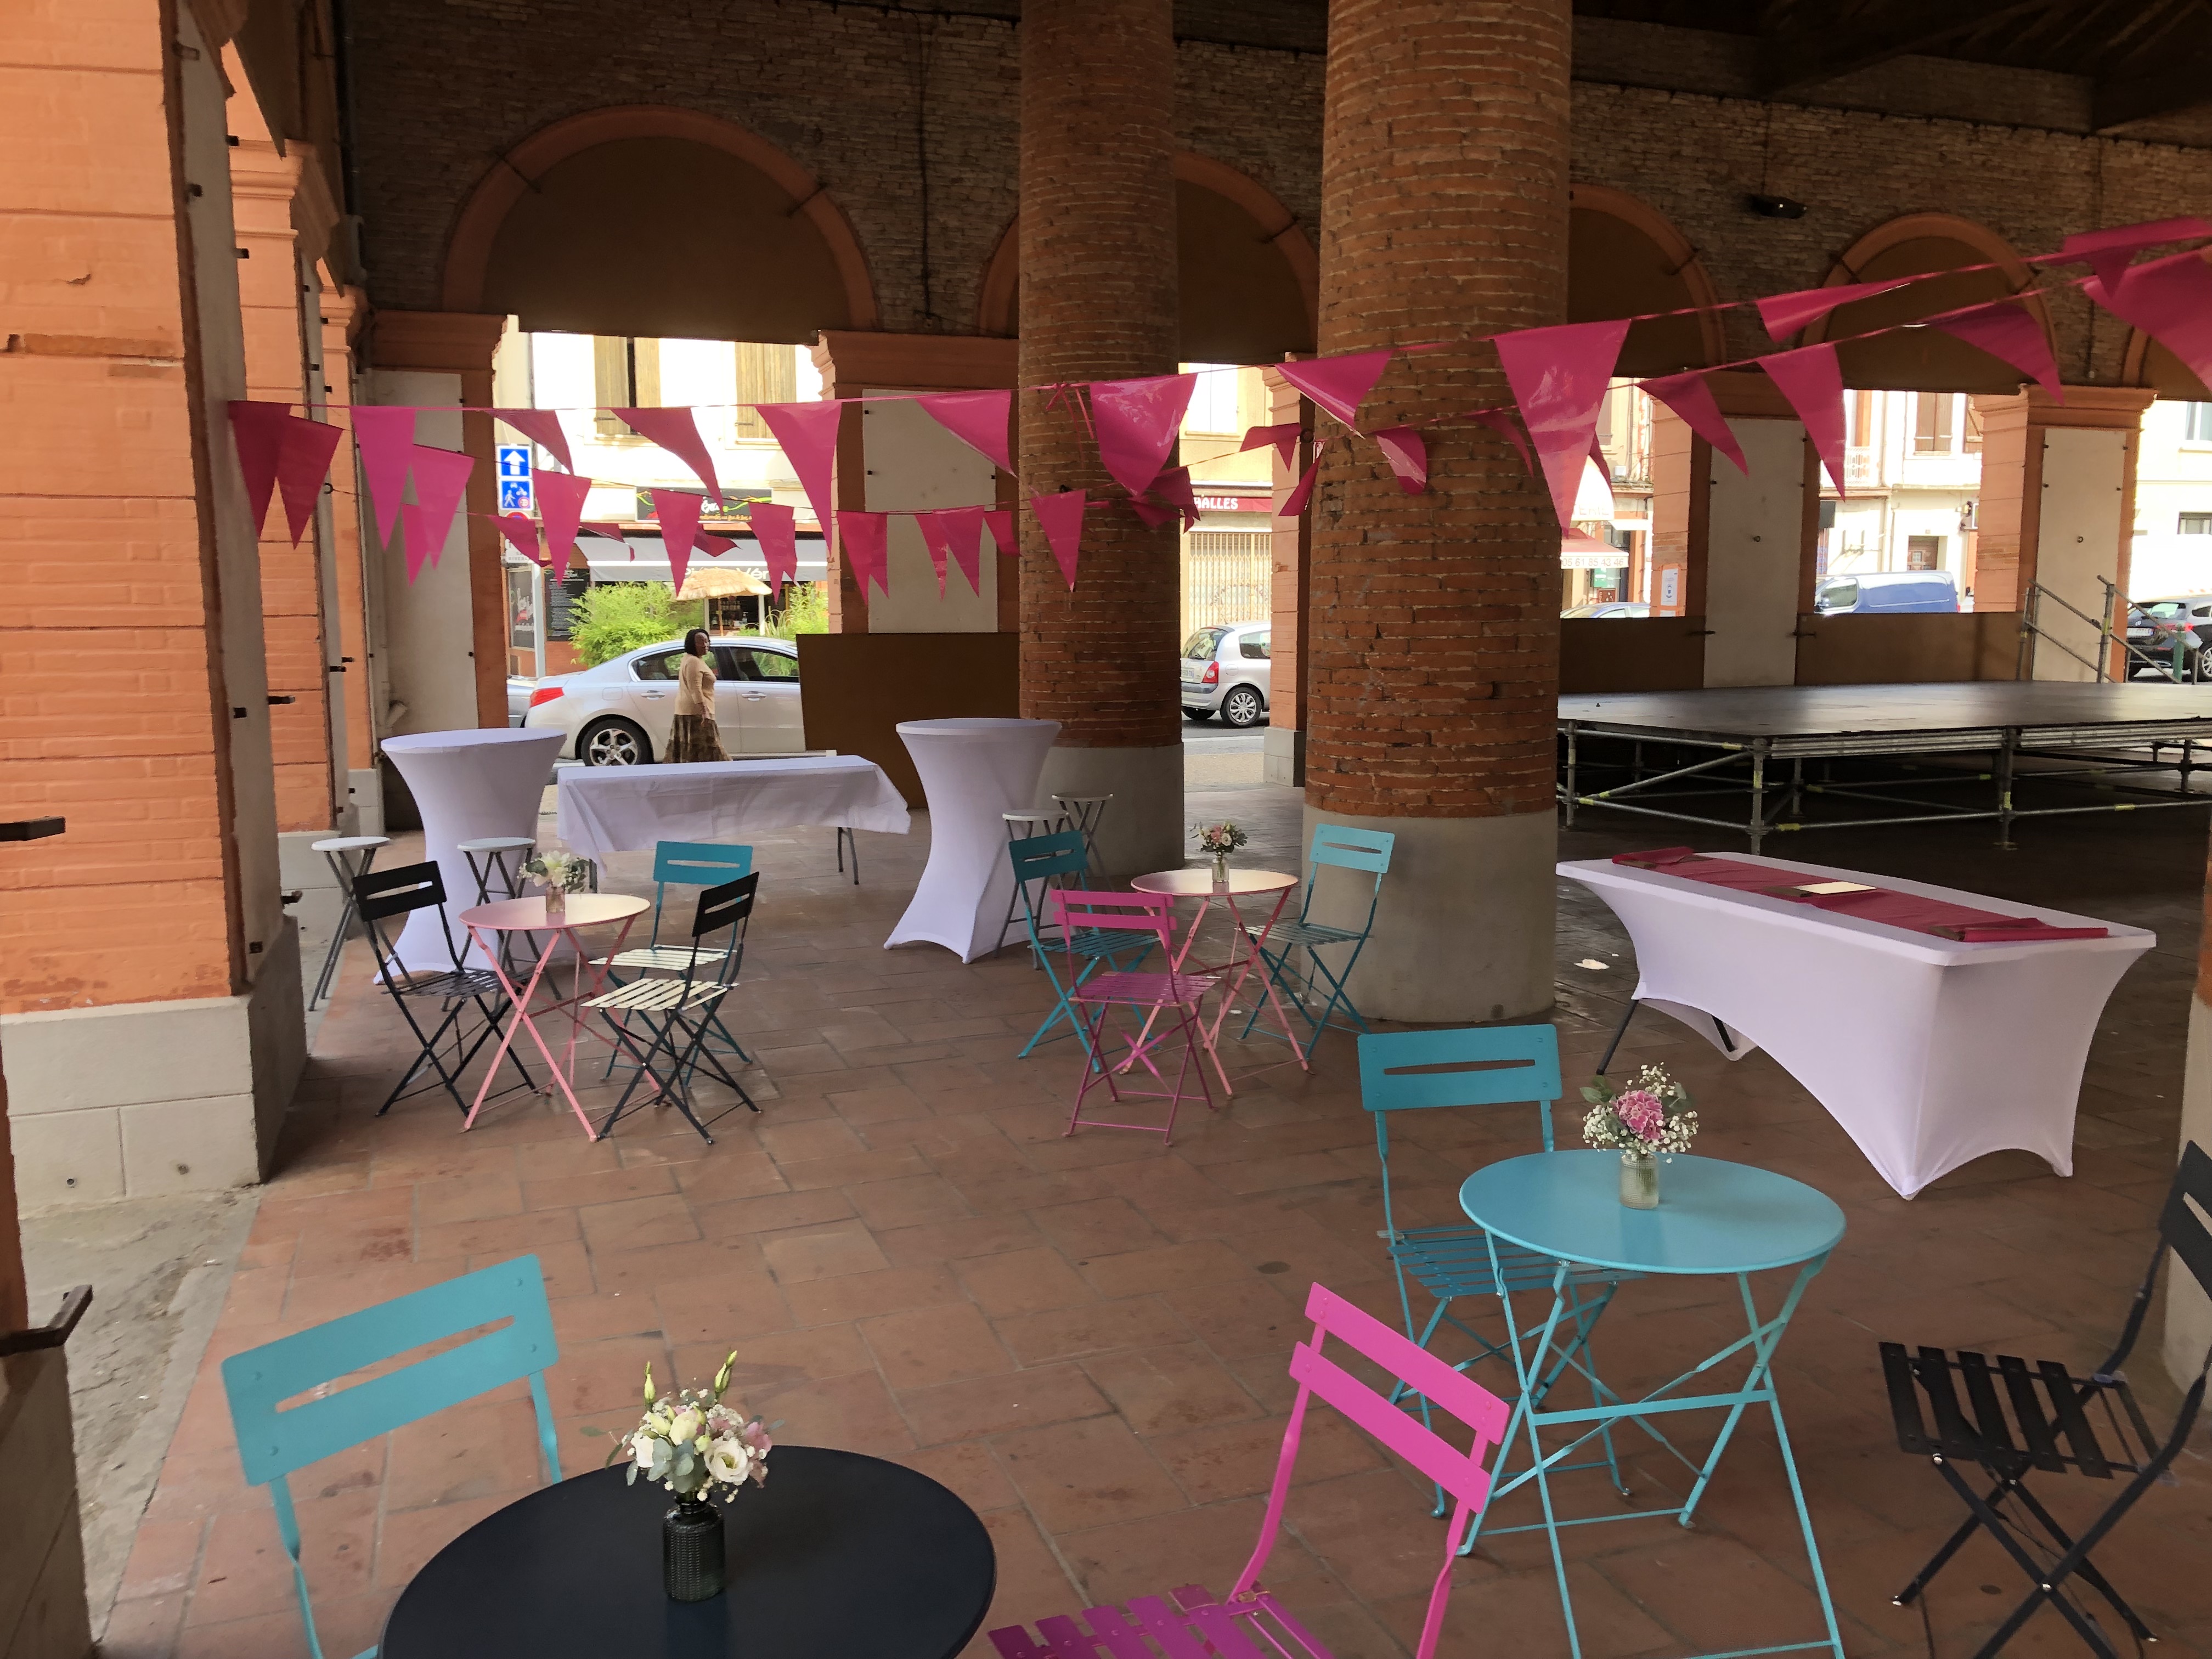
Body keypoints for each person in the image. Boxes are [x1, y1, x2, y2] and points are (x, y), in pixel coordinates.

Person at [669, 629, 727, 763]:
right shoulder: (693, 661)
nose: (705, 645)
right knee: (711, 753)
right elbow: (695, 689)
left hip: (691, 712)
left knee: (694, 754)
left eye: (707, 641)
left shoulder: (693, 659)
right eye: (700, 642)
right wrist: (704, 712)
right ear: (692, 644)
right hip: (696, 714)